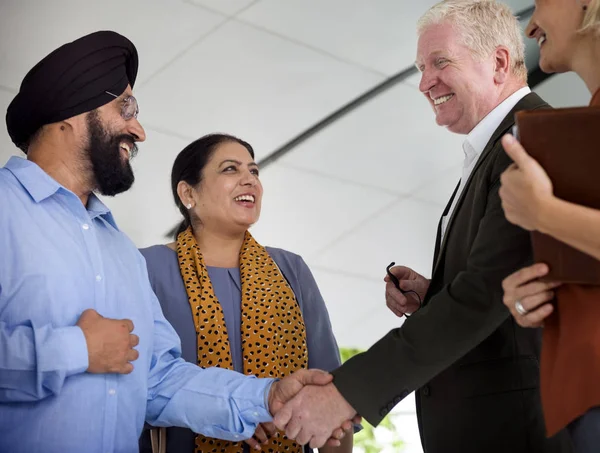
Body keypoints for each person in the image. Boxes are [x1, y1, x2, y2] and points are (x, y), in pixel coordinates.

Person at [0, 31, 349, 453]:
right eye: (124, 108)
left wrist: (265, 397)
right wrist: (75, 350)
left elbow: (160, 379)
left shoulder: (120, 251)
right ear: (70, 114)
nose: (139, 130)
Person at [272, 2, 575, 452]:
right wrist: (435, 293)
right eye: (420, 67)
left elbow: (483, 296)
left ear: (498, 62)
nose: (423, 82)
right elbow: (501, 287)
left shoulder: (532, 139)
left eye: (440, 62)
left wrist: (347, 392)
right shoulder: (497, 146)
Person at [138, 133, 353, 453]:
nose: (249, 180)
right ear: (188, 192)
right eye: (230, 169)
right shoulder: (147, 267)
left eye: (253, 171)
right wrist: (232, 414)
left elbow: (331, 390)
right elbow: (132, 386)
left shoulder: (289, 268)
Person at [499, 0, 600, 451]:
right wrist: (539, 294)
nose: (532, 23)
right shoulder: (586, 124)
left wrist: (545, 213)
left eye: (542, 2)